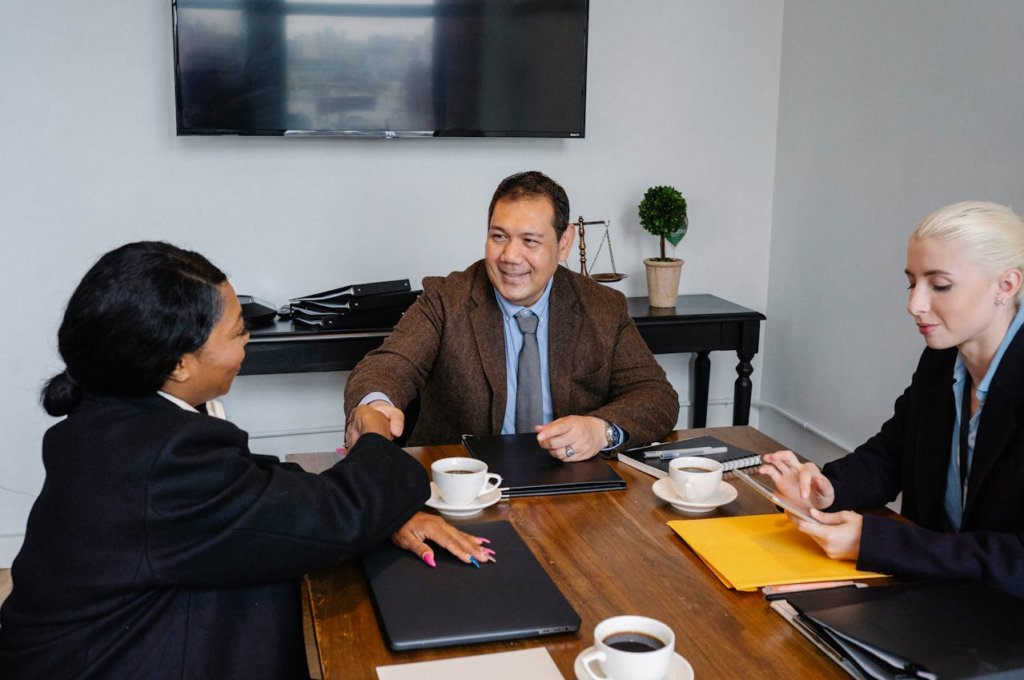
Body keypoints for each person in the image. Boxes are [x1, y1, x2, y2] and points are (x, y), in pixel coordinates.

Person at [0, 242, 493, 679]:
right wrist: (375, 438)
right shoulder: (165, 456)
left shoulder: (114, 414)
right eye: (238, 332)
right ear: (179, 363)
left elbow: (251, 485)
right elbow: (332, 518)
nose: (248, 341)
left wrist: (384, 510)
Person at [759, 201, 1024, 597]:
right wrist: (827, 489)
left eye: (940, 285)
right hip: (935, 599)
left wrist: (874, 542)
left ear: (1006, 285)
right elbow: (894, 453)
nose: (914, 305)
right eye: (911, 283)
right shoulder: (941, 359)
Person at [344, 171, 679, 461]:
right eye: (499, 237)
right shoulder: (447, 299)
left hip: (570, 483)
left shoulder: (602, 306)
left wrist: (600, 430)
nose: (510, 256)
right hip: (463, 483)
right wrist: (376, 405)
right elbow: (389, 365)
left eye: (529, 241)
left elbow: (656, 395)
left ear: (564, 243)